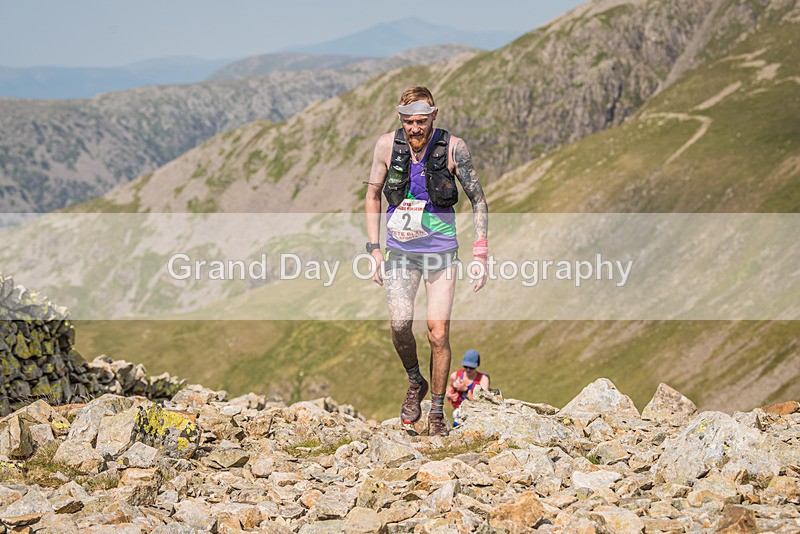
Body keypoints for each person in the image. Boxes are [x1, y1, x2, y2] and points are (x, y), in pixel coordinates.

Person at [364, 86, 489, 437]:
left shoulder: (454, 148)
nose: (415, 128)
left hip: (441, 253)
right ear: (400, 118)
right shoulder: (386, 146)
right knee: (401, 323)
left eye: (421, 121)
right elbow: (373, 195)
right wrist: (373, 248)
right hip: (400, 252)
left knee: (438, 332)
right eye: (408, 122)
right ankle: (415, 380)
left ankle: (436, 411)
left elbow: (478, 199)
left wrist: (480, 253)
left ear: (434, 115)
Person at [446, 349, 490, 427]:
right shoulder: (455, 375)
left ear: (477, 366)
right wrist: (449, 395)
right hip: (457, 415)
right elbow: (449, 387)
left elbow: (483, 403)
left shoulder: (483, 379)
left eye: (471, 367)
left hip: (475, 417)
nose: (468, 369)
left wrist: (466, 390)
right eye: (465, 366)